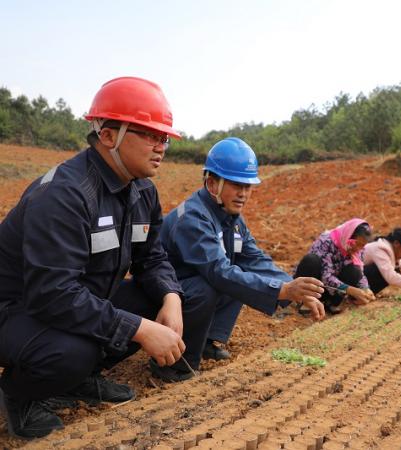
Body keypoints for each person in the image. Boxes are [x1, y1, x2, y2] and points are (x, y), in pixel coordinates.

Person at [0, 77, 186, 439]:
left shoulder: (142, 191)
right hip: (15, 308)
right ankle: (19, 395)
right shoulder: (63, 195)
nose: (161, 146)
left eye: (164, 137)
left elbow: (152, 256)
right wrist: (139, 329)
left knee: (153, 298)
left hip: (69, 301)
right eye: (149, 134)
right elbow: (52, 294)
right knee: (73, 351)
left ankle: (75, 382)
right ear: (108, 136)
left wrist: (171, 296)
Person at [158, 137, 325, 382]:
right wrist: (282, 290)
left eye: (247, 186)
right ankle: (172, 363)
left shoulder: (231, 216)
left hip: (192, 288)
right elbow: (218, 271)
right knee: (217, 282)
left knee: (240, 274)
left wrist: (293, 287)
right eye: (237, 185)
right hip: (165, 295)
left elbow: (255, 258)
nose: (244, 194)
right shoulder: (193, 217)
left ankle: (205, 340)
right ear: (212, 183)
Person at [294, 219, 376, 314]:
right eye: (356, 244)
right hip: (316, 282)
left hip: (330, 289)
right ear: (348, 235)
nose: (358, 249)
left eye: (362, 246)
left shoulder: (358, 249)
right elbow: (326, 277)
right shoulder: (326, 241)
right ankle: (306, 300)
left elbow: (360, 271)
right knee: (312, 260)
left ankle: (331, 303)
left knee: (355, 270)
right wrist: (352, 290)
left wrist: (366, 288)